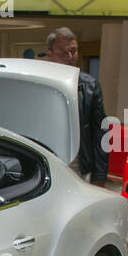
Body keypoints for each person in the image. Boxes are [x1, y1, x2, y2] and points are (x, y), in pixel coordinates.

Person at [47, 27, 108, 186]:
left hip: (78, 165)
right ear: (50, 54)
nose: (69, 57)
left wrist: (100, 175)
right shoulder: (38, 84)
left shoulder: (89, 85)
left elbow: (99, 132)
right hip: (46, 162)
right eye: (63, 53)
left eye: (73, 52)